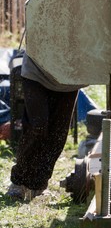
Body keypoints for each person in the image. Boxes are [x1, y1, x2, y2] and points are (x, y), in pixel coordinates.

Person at [6, 53, 85, 201]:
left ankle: (38, 184)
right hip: (36, 71)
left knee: (58, 134)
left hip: (69, 75)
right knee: (38, 126)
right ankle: (18, 182)